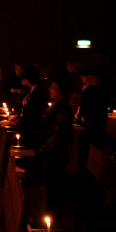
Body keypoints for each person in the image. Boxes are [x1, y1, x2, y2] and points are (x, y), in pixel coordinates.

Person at [41, 75, 74, 221]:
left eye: (52, 86)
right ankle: (51, 216)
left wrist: (46, 147)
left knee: (54, 187)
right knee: (51, 186)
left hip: (57, 152)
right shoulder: (58, 105)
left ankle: (53, 219)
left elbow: (61, 132)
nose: (49, 89)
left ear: (60, 90)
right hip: (53, 151)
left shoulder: (63, 108)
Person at [12, 66, 45, 150]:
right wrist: (19, 116)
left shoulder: (38, 92)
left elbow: (32, 110)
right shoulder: (30, 89)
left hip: (31, 125)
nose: (25, 81)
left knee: (29, 146)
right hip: (26, 123)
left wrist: (21, 119)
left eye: (26, 79)